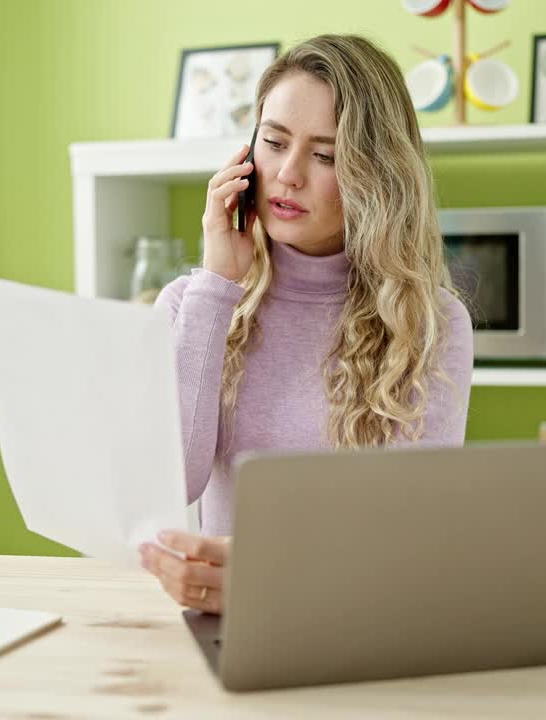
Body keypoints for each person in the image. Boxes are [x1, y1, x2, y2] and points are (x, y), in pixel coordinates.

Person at [140, 34, 474, 614]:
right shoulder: (187, 305)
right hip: (224, 630)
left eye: (325, 155)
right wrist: (218, 283)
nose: (287, 175)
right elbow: (168, 489)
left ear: (377, 175)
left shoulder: (433, 323)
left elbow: (414, 535)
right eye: (272, 142)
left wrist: (273, 573)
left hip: (359, 623)